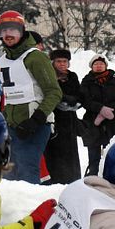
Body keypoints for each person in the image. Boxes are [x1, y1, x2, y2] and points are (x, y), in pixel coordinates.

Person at [0, 10, 62, 184]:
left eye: (13, 30)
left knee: (27, 168)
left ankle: (31, 208)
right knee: (10, 172)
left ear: (22, 31)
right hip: (13, 126)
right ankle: (13, 209)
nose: (8, 35)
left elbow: (54, 92)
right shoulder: (1, 61)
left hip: (36, 124)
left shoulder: (35, 57)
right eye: (4, 30)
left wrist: (36, 119)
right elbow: (9, 95)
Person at [79, 54, 115, 177]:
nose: (99, 66)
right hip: (93, 121)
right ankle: (93, 175)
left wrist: (109, 111)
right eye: (96, 64)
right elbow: (85, 100)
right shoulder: (86, 81)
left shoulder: (114, 81)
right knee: (93, 152)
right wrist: (100, 109)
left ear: (105, 66)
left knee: (112, 150)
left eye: (101, 64)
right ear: (91, 67)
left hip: (112, 122)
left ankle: (112, 176)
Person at [45, 49, 82, 184]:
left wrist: (73, 102)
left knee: (71, 151)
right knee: (55, 149)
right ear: (53, 62)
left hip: (70, 117)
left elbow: (79, 94)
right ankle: (56, 179)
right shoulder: (49, 76)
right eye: (59, 61)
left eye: (65, 61)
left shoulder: (72, 76)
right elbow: (51, 93)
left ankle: (73, 179)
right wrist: (64, 99)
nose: (62, 64)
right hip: (55, 117)